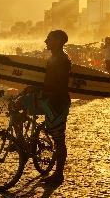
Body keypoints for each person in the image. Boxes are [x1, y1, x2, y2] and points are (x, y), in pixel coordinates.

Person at [36, 30, 72, 185]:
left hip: (57, 103)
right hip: (53, 101)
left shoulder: (62, 60)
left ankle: (59, 175)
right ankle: (57, 173)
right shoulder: (55, 58)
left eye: (48, 39)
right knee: (57, 138)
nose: (45, 41)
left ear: (57, 41)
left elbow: (60, 84)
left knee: (59, 140)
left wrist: (46, 93)